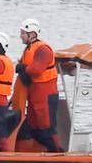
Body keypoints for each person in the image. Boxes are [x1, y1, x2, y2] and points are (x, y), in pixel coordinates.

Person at [17, 18, 65, 152]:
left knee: (47, 127)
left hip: (46, 93)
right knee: (33, 126)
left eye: (23, 33)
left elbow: (36, 69)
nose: (20, 35)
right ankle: (45, 152)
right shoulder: (29, 49)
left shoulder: (43, 49)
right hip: (34, 93)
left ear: (31, 34)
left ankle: (58, 153)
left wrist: (23, 68)